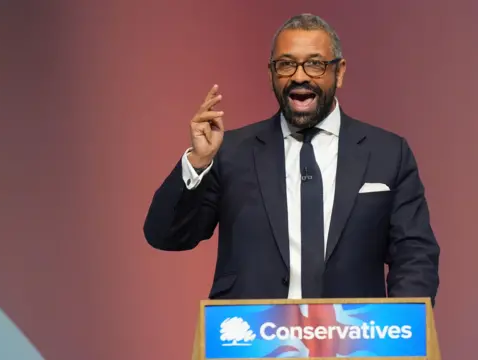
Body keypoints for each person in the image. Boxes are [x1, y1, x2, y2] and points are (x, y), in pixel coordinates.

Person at [143, 13, 440, 304]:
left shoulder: (388, 152)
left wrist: (403, 331)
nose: (299, 76)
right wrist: (198, 162)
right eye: (286, 65)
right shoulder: (231, 152)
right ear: (271, 73)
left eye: (315, 64)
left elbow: (414, 254)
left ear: (340, 72)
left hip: (353, 341)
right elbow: (166, 235)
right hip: (254, 343)